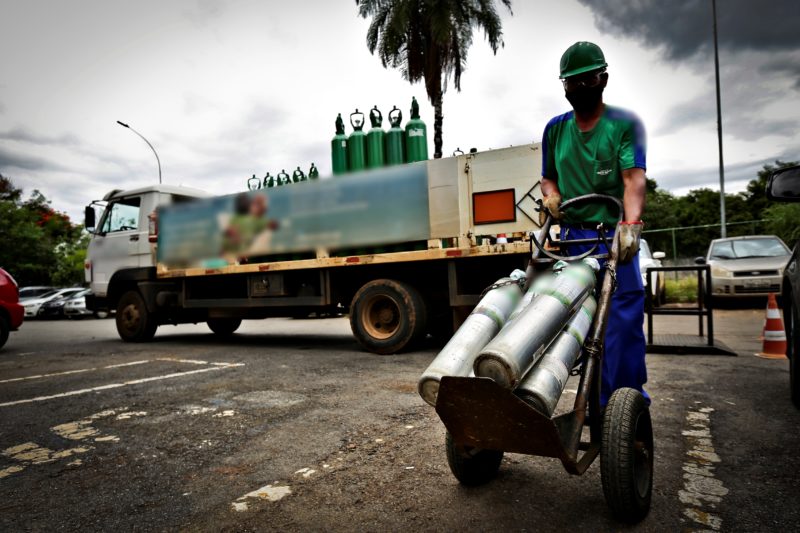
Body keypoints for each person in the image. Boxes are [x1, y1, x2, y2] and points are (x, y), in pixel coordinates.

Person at [539, 41, 649, 407]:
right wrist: (551, 197)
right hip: (573, 242)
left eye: (587, 80)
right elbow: (548, 178)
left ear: (603, 79)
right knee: (566, 322)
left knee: (622, 323)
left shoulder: (623, 124)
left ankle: (623, 404)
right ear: (564, 86)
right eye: (572, 83)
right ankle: (574, 399)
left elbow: (633, 179)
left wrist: (631, 224)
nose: (579, 89)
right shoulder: (554, 129)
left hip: (616, 238)